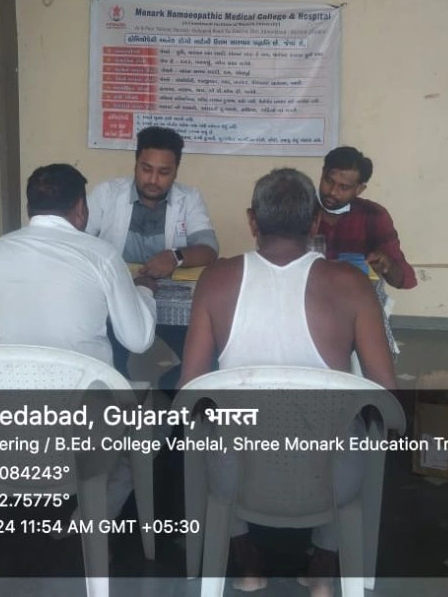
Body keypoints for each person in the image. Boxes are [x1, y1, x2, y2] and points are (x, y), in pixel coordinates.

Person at [179, 168, 397, 596]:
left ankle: (248, 564)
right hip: (332, 479)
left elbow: (189, 390)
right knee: (360, 424)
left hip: (234, 476)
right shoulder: (351, 284)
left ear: (252, 221)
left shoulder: (216, 279)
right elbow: (388, 397)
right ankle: (322, 569)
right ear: (316, 223)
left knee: (209, 427)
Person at [0, 163, 156, 367]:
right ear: (80, 208)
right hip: (86, 408)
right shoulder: (102, 255)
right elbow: (138, 340)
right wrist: (144, 291)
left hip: (10, 408)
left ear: (29, 208)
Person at [87, 126, 219, 378]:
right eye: (146, 169)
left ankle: (170, 398)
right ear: (136, 163)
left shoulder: (189, 198)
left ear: (176, 171)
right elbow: (79, 242)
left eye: (164, 172)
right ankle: (121, 398)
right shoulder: (107, 194)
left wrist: (175, 257)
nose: (153, 180)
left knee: (203, 366)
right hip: (117, 300)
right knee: (108, 369)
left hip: (170, 302)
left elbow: (209, 248)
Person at [314, 145, 417, 289]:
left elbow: (406, 280)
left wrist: (387, 265)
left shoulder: (373, 215)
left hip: (355, 297)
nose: (333, 192)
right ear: (322, 174)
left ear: (359, 189)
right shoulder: (299, 208)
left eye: (344, 187)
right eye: (329, 181)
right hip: (306, 297)